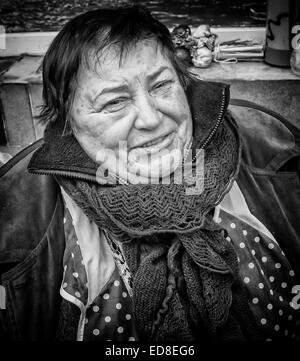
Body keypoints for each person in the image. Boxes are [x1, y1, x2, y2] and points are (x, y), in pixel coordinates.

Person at [0, 6, 300, 342]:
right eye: (114, 102)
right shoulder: (20, 216)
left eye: (161, 86)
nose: (152, 119)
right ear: (68, 123)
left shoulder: (271, 150)